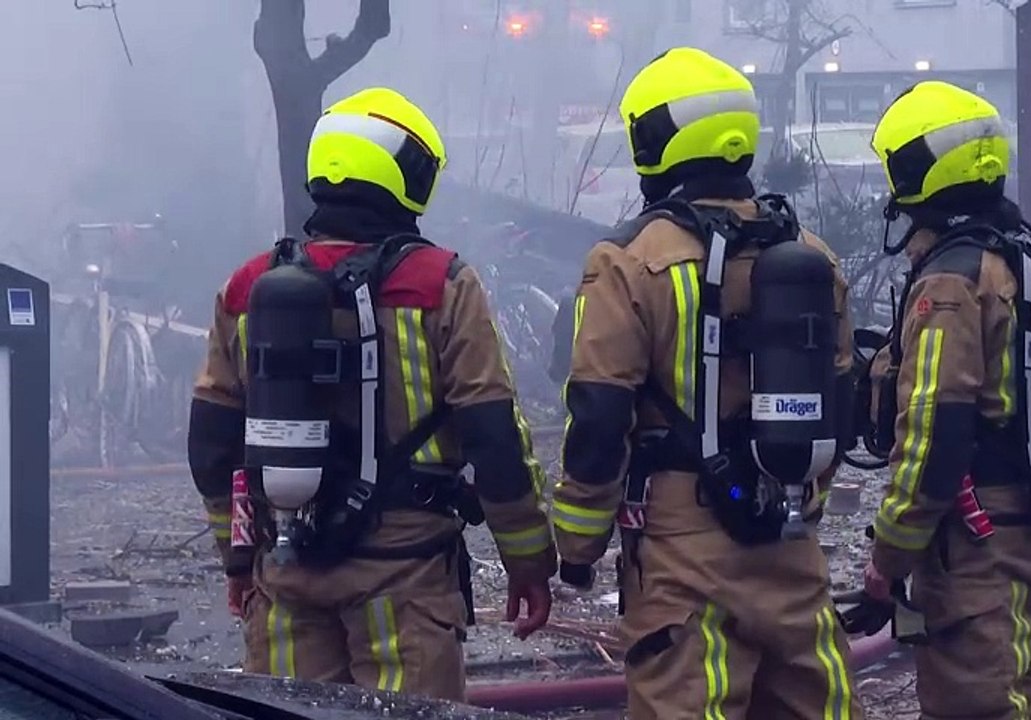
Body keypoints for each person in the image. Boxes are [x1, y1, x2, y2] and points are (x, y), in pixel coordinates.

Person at [186, 87, 555, 701]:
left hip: (286, 573)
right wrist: (527, 558)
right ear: (407, 175)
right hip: (406, 582)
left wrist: (237, 560)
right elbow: (493, 435)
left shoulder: (248, 288)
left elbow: (210, 446)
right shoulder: (442, 284)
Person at [550, 47, 863, 719]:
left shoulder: (627, 262)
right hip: (791, 546)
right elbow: (843, 403)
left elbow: (599, 418)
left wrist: (576, 552)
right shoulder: (813, 257)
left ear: (655, 138)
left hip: (681, 557)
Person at [862, 80, 1031, 719]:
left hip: (977, 550)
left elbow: (934, 428)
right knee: (1029, 703)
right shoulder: (1023, 254)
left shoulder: (951, 279)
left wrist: (889, 555)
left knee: (977, 707)